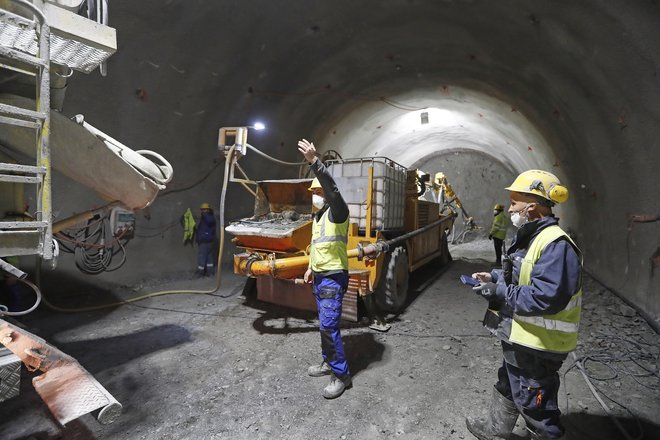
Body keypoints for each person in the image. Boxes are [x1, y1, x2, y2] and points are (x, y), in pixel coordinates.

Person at [466, 170, 582, 440]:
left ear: (531, 206)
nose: (510, 209)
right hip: (521, 337)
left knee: (535, 403)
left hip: (540, 345)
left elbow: (544, 297)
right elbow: (522, 276)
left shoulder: (557, 246)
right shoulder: (532, 236)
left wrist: (499, 292)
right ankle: (495, 431)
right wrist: (494, 277)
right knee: (508, 383)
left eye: (514, 202)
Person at [298, 138, 352, 399]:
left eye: (319, 193)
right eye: (314, 194)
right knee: (324, 325)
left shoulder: (338, 212)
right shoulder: (318, 219)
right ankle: (327, 361)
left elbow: (332, 189)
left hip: (333, 278)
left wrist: (314, 162)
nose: (316, 197)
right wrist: (310, 268)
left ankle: (341, 375)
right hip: (320, 277)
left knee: (329, 327)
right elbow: (316, 246)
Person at [195, 202, 217, 276]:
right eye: (202, 210)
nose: (202, 211)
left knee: (202, 256)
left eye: (204, 210)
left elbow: (209, 222)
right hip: (209, 241)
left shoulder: (208, 217)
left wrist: (204, 215)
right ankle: (210, 272)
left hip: (205, 241)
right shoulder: (208, 217)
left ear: (207, 210)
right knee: (209, 257)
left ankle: (200, 273)